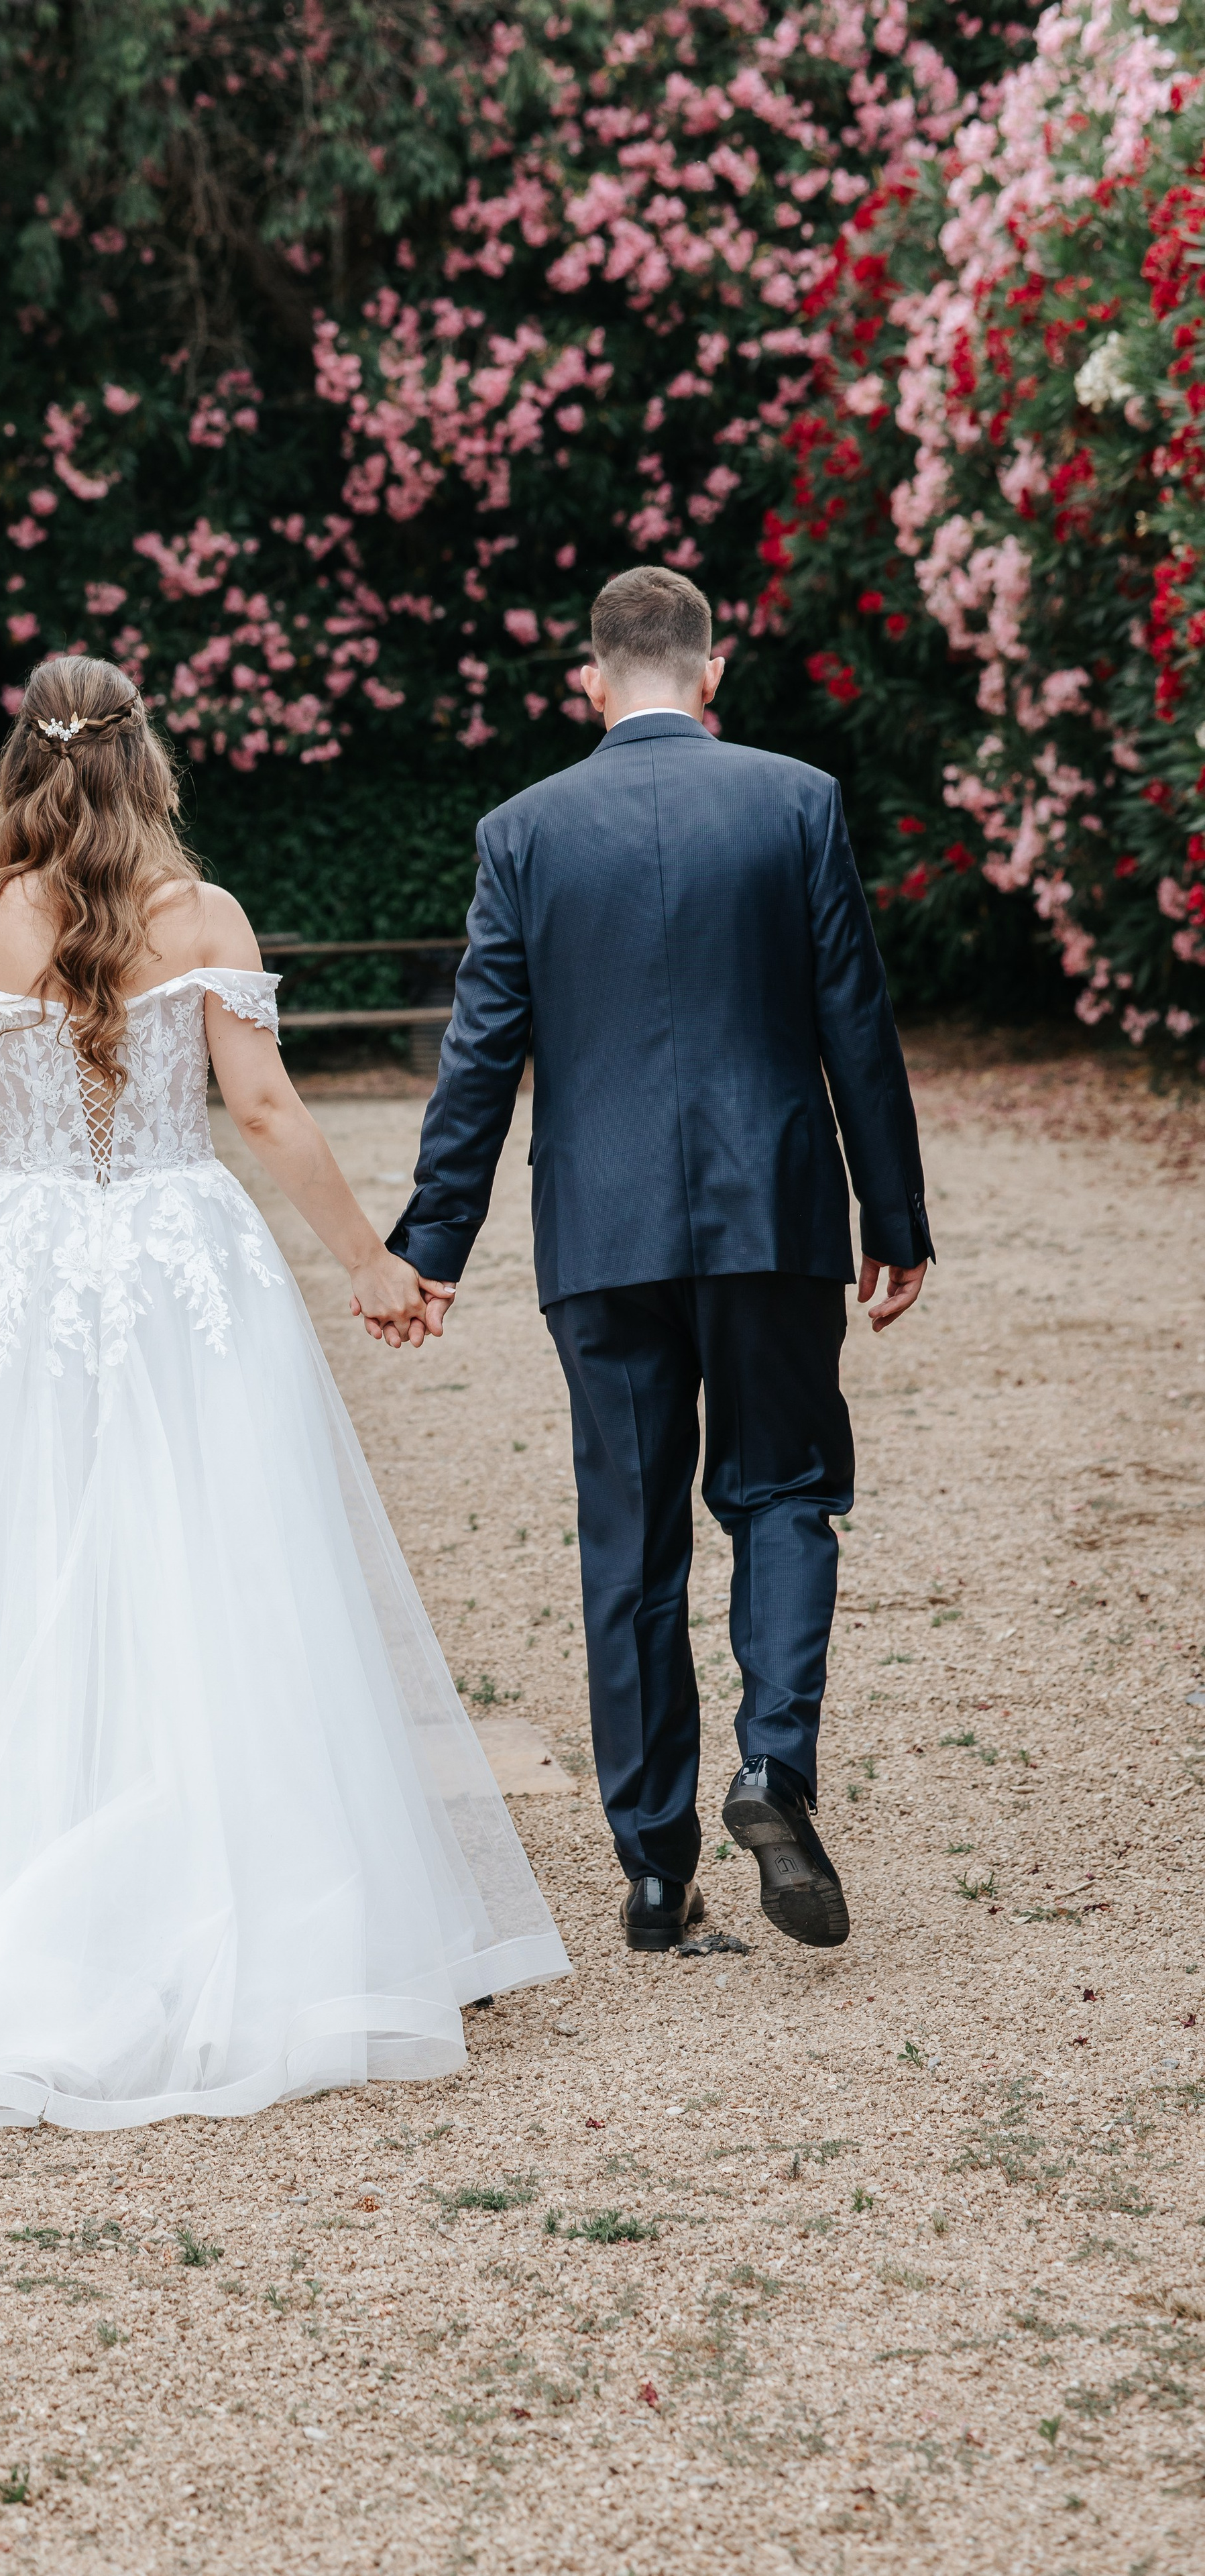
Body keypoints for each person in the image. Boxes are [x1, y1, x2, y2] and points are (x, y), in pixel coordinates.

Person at [0, 657, 567, 2132]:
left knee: (1, 1562)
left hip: (20, 1265)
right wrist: (371, 1265)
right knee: (211, 1555)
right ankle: (213, 1893)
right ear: (144, 760)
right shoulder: (197, 916)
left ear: (18, 761)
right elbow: (262, 1109)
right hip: (174, 1258)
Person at [386, 566, 932, 1953]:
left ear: (589, 682)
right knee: (783, 1493)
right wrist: (894, 1215)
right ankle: (772, 1768)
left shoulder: (520, 830)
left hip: (602, 1233)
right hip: (771, 1214)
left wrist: (433, 1240)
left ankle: (649, 1869)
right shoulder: (792, 800)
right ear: (710, 672)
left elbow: (480, 1059)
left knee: (628, 1545)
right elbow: (851, 1024)